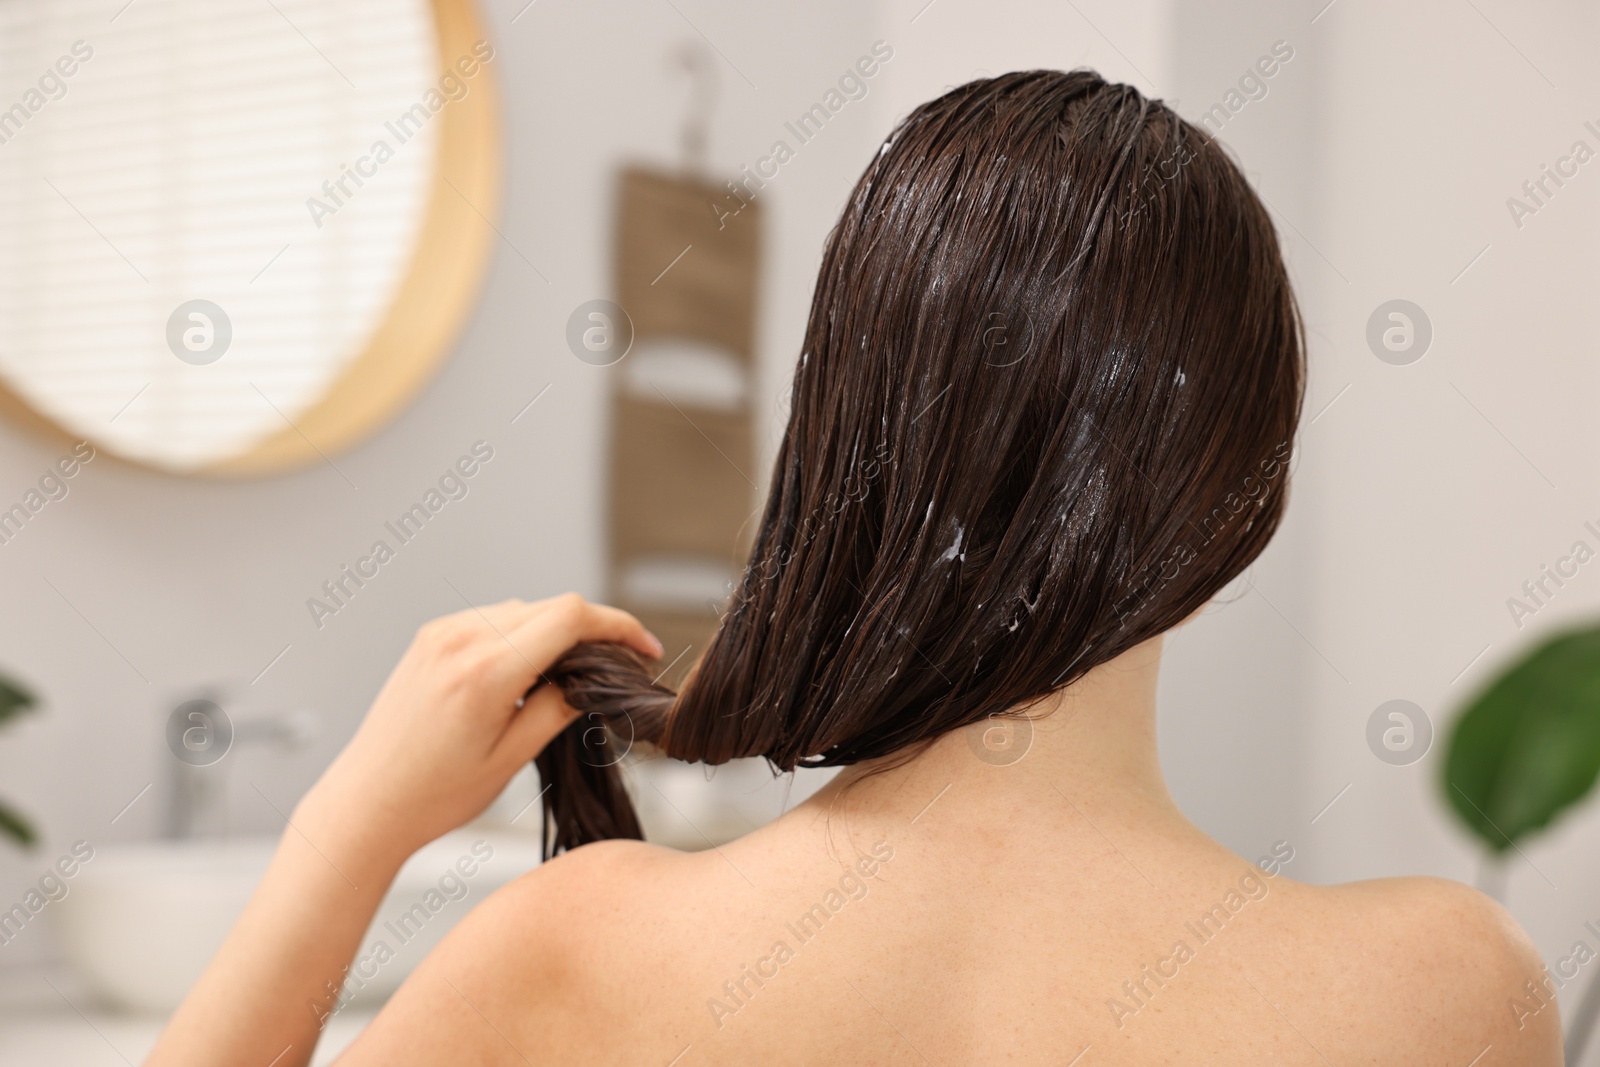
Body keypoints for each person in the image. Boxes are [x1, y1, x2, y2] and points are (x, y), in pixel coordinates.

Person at [148, 70, 1561, 1066]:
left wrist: (349, 831)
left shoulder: (576, 952)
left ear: (835, 442)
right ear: (1242, 493)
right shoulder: (1442, 993)